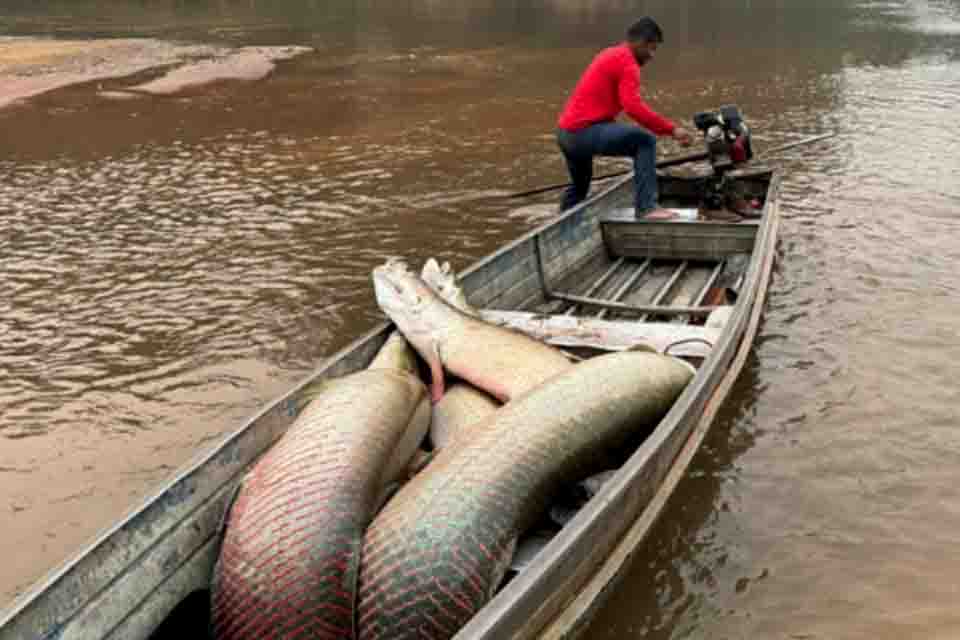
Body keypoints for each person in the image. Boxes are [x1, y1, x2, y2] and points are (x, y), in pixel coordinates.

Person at [556, 17, 693, 219]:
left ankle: (561, 219)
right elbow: (633, 107)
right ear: (640, 42)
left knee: (579, 189)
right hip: (583, 133)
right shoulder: (628, 63)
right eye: (651, 48)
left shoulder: (611, 53)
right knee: (644, 142)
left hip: (566, 135)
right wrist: (671, 129)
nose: (652, 55)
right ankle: (647, 207)